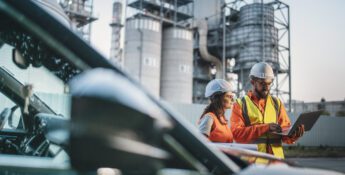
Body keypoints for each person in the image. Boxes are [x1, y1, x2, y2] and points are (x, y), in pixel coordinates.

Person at [231, 62, 304, 159]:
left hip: (276, 162)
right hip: (253, 164)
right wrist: (266, 127)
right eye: (262, 83)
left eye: (269, 83)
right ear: (253, 82)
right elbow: (237, 134)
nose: (266, 87)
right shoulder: (240, 104)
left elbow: (285, 136)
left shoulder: (276, 103)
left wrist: (294, 135)